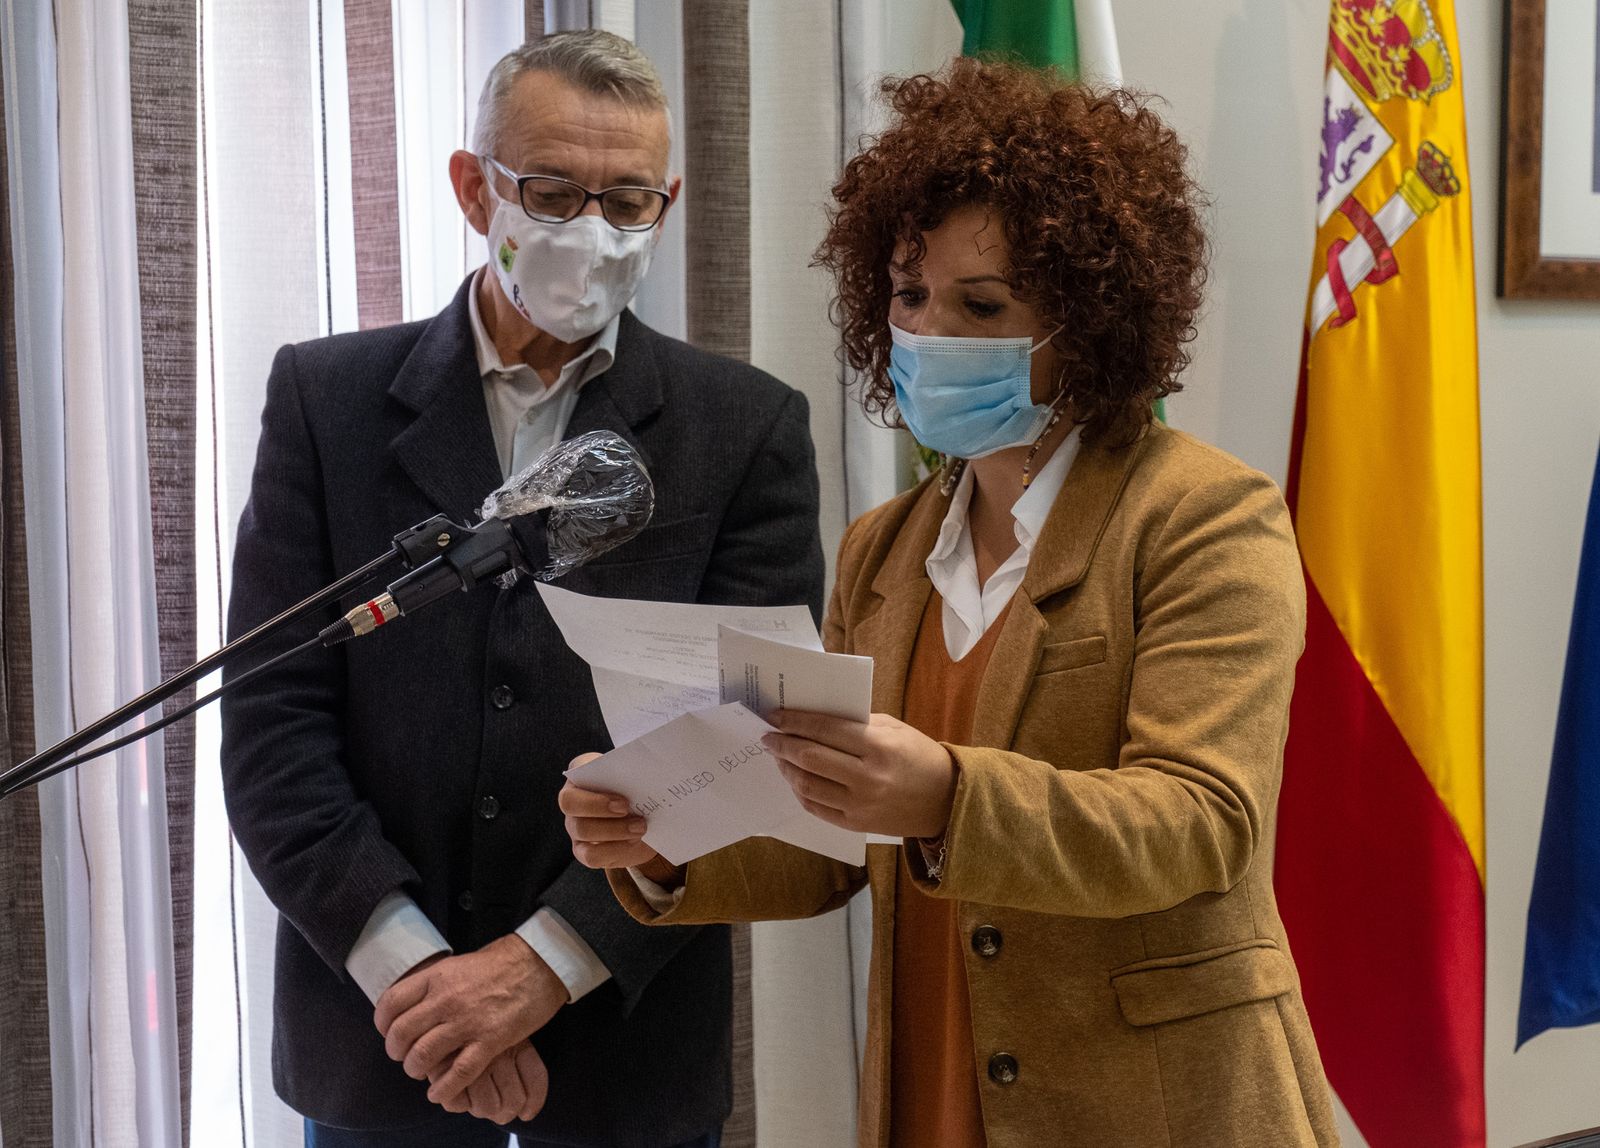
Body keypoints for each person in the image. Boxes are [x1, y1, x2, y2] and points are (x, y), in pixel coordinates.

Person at [560, 59, 1339, 1148]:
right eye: (908, 296)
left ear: (1087, 319)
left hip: (1154, 1101)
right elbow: (831, 838)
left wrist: (948, 797)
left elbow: (1200, 822)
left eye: (981, 303)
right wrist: (662, 838)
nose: (928, 334)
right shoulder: (882, 549)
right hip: (933, 1076)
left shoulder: (1203, 516)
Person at [221, 30, 823, 1148]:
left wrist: (540, 968)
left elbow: (749, 741)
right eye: (550, 191)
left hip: (623, 1043)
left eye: (627, 200)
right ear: (474, 188)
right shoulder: (325, 400)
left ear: (666, 204)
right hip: (380, 1037)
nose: (590, 230)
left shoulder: (745, 428)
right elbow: (272, 721)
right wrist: (418, 982)